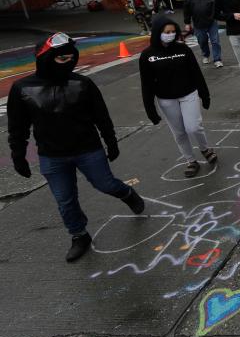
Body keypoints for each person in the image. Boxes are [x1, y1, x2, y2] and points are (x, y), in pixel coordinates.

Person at [7, 33, 145, 262]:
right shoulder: (22, 88)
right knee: (65, 199)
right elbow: (17, 126)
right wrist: (18, 156)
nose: (68, 63)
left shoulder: (82, 83)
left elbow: (101, 115)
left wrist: (111, 141)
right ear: (46, 58)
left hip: (87, 148)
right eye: (62, 59)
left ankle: (127, 193)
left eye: (72, 58)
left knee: (106, 184)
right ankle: (79, 235)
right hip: (52, 155)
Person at [139, 17, 216, 178]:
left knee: (193, 127)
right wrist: (150, 109)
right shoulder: (147, 55)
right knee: (179, 132)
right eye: (167, 32)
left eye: (173, 31)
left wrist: (204, 94)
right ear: (158, 33)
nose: (171, 34)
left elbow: (196, 72)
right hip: (166, 99)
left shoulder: (183, 49)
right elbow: (146, 84)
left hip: (188, 93)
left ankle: (204, 148)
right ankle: (190, 161)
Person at [183, 0, 223, 67]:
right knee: (202, 41)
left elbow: (216, 8)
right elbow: (186, 11)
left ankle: (217, 59)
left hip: (211, 22)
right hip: (198, 24)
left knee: (215, 41)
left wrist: (218, 16)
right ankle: (206, 55)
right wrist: (187, 23)